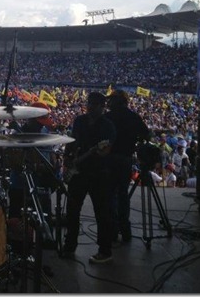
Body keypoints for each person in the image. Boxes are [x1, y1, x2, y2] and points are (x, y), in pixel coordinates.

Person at [62, 92, 116, 264]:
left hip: (98, 174)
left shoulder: (108, 126)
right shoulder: (79, 121)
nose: (90, 106)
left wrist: (99, 152)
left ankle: (105, 250)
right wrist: (67, 158)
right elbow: (72, 141)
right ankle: (69, 246)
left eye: (94, 104)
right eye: (89, 103)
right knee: (72, 211)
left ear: (102, 107)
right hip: (78, 172)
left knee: (102, 213)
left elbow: (106, 150)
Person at [104, 89, 150, 242]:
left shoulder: (108, 117)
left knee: (109, 194)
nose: (108, 103)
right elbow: (146, 134)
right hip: (125, 159)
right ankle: (125, 230)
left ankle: (111, 230)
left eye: (111, 100)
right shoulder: (133, 117)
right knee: (123, 194)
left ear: (119, 101)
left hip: (110, 159)